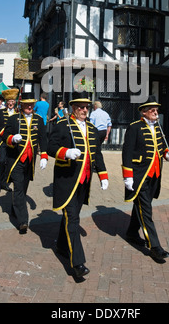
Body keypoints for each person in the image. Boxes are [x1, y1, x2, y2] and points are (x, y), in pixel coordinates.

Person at [47, 92, 109, 279]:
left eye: (86, 107)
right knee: (72, 218)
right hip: (67, 180)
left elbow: (97, 154)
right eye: (80, 107)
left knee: (71, 216)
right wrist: (65, 152)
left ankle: (61, 246)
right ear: (73, 108)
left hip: (84, 181)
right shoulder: (62, 125)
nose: (84, 110)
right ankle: (77, 264)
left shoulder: (91, 128)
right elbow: (50, 147)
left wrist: (103, 175)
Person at [122, 95, 169, 262]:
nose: (156, 112)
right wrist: (128, 176)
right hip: (139, 176)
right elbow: (127, 153)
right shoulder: (134, 127)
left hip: (155, 175)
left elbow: (161, 149)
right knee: (146, 210)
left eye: (156, 109)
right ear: (144, 112)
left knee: (141, 206)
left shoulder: (158, 127)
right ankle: (155, 247)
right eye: (152, 109)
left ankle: (132, 233)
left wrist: (168, 155)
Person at [3, 92, 48, 234]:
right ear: (21, 105)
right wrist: (12, 139)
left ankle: (14, 207)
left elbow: (43, 138)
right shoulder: (13, 119)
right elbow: (5, 136)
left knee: (23, 187)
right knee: (18, 187)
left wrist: (44, 156)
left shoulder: (39, 120)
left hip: (30, 160)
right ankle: (23, 221)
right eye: (26, 104)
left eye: (31, 104)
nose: (29, 106)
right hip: (16, 159)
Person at [0, 88, 19, 193]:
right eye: (9, 101)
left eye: (12, 101)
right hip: (2, 141)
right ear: (6, 102)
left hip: (13, 142)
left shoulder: (18, 113)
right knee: (2, 161)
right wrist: (6, 135)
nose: (10, 103)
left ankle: (5, 182)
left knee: (10, 163)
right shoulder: (0, 112)